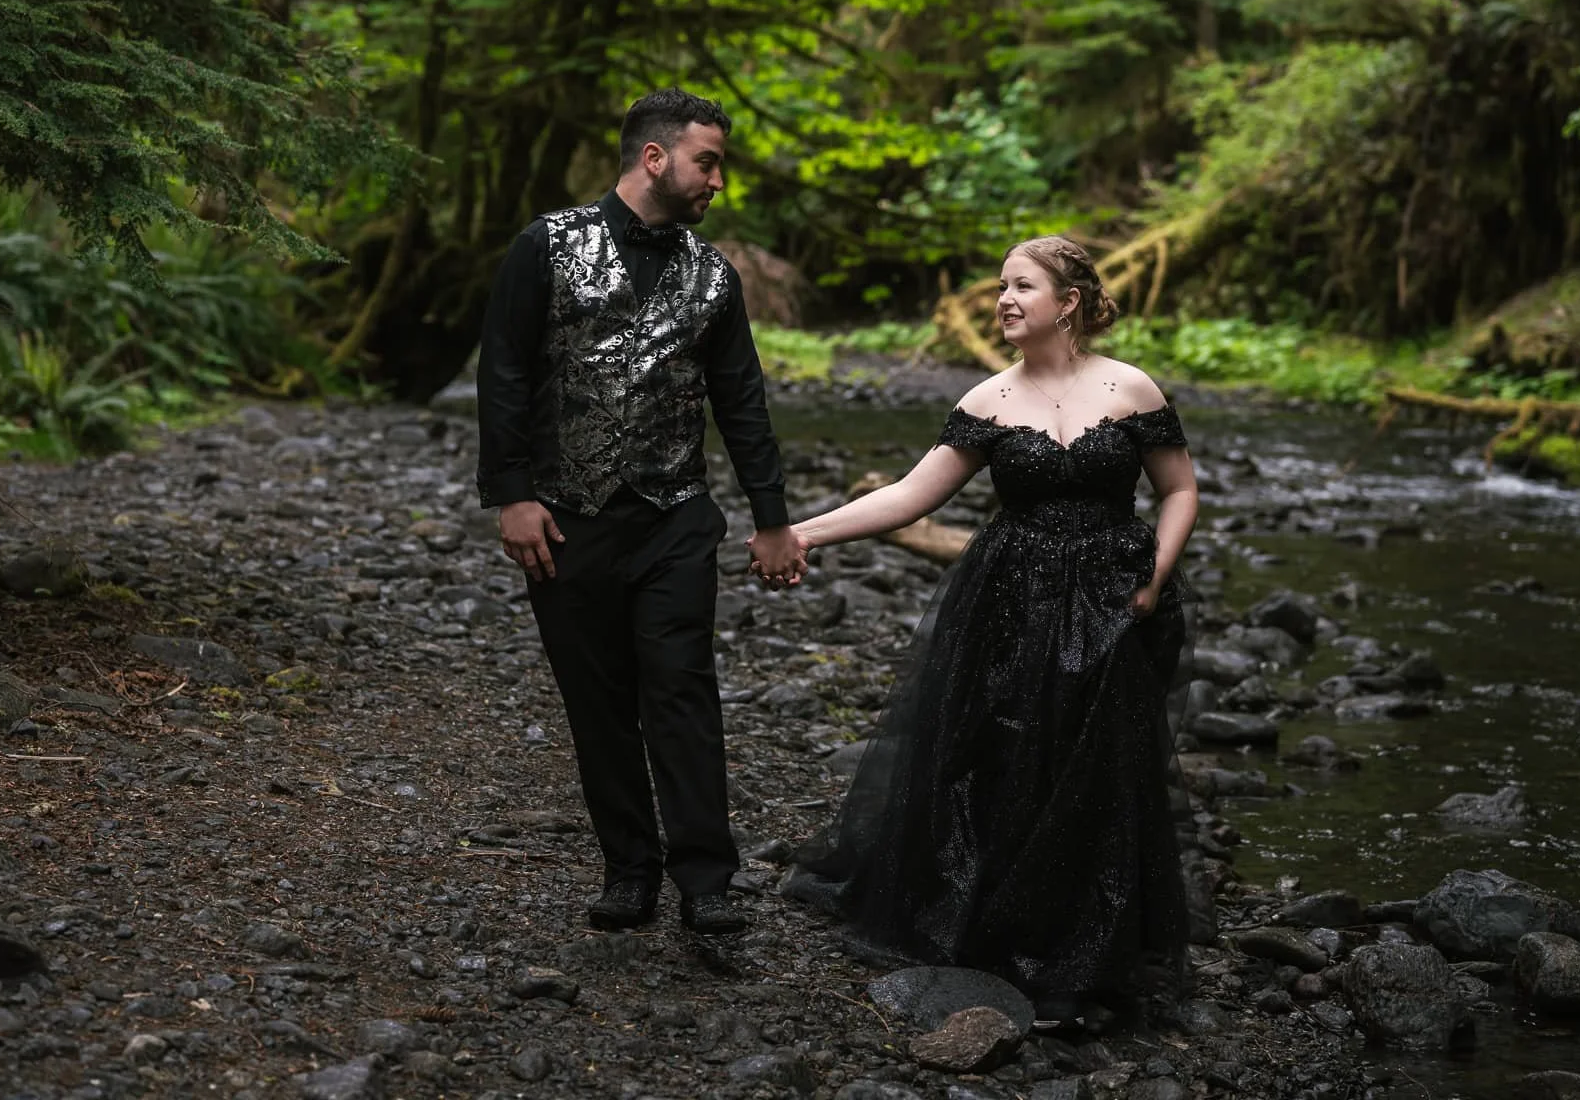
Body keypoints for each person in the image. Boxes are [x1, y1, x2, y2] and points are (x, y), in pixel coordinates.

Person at [783, 235, 1198, 1021]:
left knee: (1100, 762)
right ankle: (1003, 929)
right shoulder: (987, 401)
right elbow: (909, 497)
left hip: (1115, 595)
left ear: (1067, 302)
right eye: (1001, 286)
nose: (1004, 299)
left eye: (1021, 286)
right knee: (1003, 756)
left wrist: (1154, 576)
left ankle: (1095, 940)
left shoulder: (1131, 388)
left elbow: (1179, 489)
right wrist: (803, 532)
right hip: (1012, 599)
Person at [478, 88, 808, 937]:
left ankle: (706, 879)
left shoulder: (714, 274)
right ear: (655, 158)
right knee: (597, 704)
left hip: (675, 517)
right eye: (709, 162)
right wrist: (512, 495)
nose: (718, 181)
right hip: (566, 519)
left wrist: (772, 518)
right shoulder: (546, 245)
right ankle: (630, 870)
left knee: (682, 692)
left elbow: (741, 401)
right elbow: (504, 371)